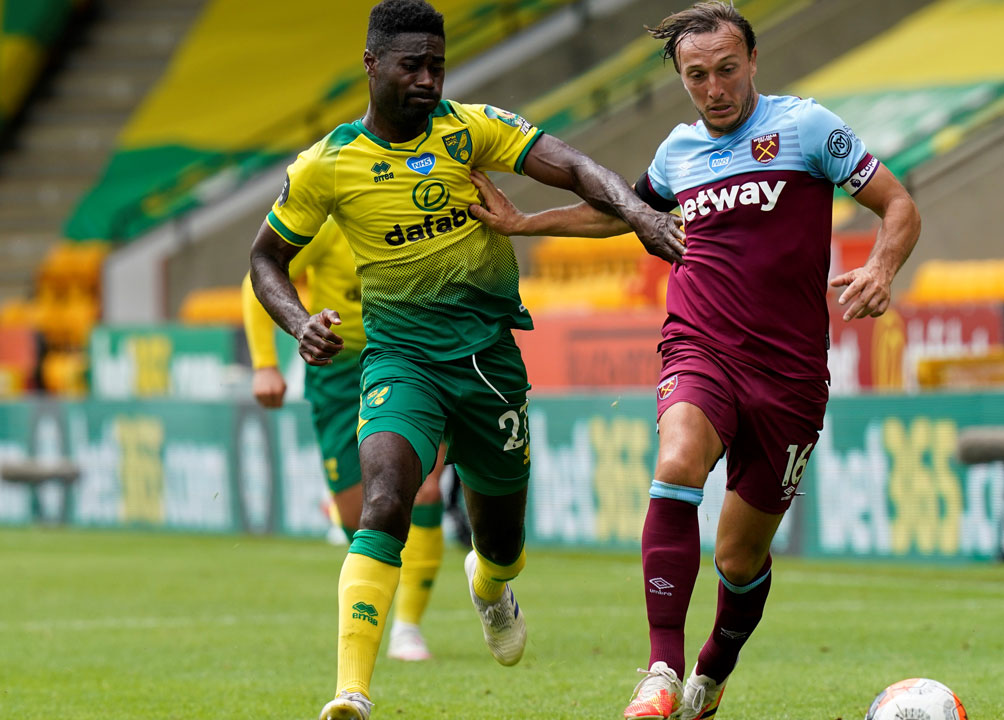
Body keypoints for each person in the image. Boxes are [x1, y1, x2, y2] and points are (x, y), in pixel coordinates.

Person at [467, 3, 921, 718]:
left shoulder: (805, 128)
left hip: (792, 374)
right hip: (700, 343)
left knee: (739, 560)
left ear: (754, 63)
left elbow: (898, 204)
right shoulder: (677, 152)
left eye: (727, 70)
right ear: (682, 78)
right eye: (697, 75)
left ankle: (711, 671)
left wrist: (883, 269)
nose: (715, 88)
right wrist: (528, 222)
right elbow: (623, 212)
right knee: (677, 462)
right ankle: (660, 670)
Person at [247, 2, 685, 719]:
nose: (427, 79)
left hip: (489, 365)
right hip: (400, 362)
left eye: (437, 65)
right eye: (411, 65)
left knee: (502, 540)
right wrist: (298, 323)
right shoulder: (327, 165)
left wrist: (638, 214)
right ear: (372, 64)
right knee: (386, 495)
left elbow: (571, 166)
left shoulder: (470, 129)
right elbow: (266, 258)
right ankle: (351, 690)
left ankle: (490, 585)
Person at [240, 219, 450, 663]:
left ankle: (408, 627)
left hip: (409, 359)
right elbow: (257, 277)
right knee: (362, 517)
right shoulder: (327, 226)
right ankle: (377, 602)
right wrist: (264, 363)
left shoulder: (419, 213)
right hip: (339, 372)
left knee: (425, 488)